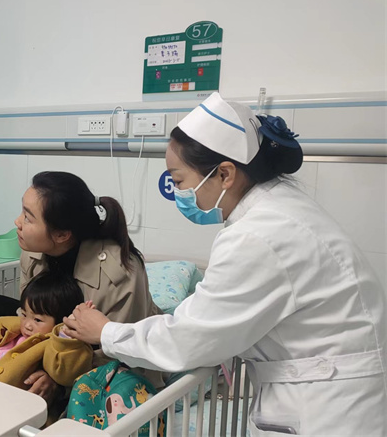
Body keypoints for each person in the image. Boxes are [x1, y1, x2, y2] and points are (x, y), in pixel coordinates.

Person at [63, 93, 387, 436]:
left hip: (328, 405)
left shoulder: (258, 236)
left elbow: (189, 340)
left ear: (225, 174)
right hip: (333, 385)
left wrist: (106, 332)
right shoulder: (280, 209)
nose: (178, 193)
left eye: (179, 180)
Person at [0, 171, 164, 399]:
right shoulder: (32, 254)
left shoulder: (121, 272)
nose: (17, 222)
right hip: (54, 337)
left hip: (105, 357)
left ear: (62, 235)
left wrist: (58, 380)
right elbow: (31, 314)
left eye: (28, 217)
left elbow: (119, 348)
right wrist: (29, 360)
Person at [0, 271, 92, 389]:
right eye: (24, 314)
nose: (27, 325)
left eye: (37, 320)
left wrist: (65, 337)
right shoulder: (8, 328)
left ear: (59, 323)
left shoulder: (51, 347)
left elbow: (64, 373)